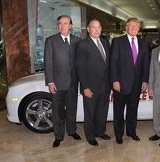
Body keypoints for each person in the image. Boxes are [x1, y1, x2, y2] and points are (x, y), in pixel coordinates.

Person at [110, 17, 149, 144]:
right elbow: (113, 63)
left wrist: (145, 80)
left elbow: (145, 64)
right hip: (120, 84)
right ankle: (119, 134)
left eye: (136, 26)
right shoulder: (117, 41)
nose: (133, 28)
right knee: (119, 111)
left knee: (133, 110)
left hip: (136, 84)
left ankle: (131, 132)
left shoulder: (143, 43)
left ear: (139, 28)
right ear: (126, 27)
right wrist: (114, 80)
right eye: (131, 26)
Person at [44, 15, 81, 148]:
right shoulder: (51, 41)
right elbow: (48, 63)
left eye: (65, 23)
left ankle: (72, 131)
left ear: (70, 25)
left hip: (73, 83)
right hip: (57, 84)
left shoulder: (78, 41)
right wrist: (50, 82)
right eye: (60, 23)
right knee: (57, 111)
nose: (62, 25)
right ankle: (58, 136)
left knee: (72, 109)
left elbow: (80, 63)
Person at [75, 18, 111, 146]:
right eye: (93, 27)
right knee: (90, 113)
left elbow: (107, 65)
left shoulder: (105, 42)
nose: (96, 29)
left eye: (99, 27)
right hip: (90, 87)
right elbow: (80, 67)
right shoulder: (83, 44)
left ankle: (100, 132)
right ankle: (90, 136)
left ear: (101, 29)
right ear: (88, 29)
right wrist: (85, 87)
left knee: (102, 111)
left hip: (105, 86)